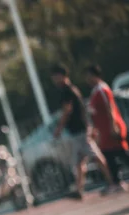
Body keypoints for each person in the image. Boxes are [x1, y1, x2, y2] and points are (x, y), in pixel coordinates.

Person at [50, 63, 117, 200]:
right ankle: (79, 189)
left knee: (95, 156)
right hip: (78, 130)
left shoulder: (67, 91)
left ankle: (113, 182)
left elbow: (67, 111)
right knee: (80, 162)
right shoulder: (73, 89)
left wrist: (58, 129)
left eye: (55, 77)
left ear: (61, 76)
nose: (54, 81)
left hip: (79, 130)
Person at [86, 64, 129, 193]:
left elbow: (109, 108)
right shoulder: (95, 91)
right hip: (104, 131)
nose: (87, 79)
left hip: (111, 128)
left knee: (123, 154)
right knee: (109, 155)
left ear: (95, 75)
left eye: (89, 76)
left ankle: (117, 182)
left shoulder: (102, 89)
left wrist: (113, 126)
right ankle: (117, 182)